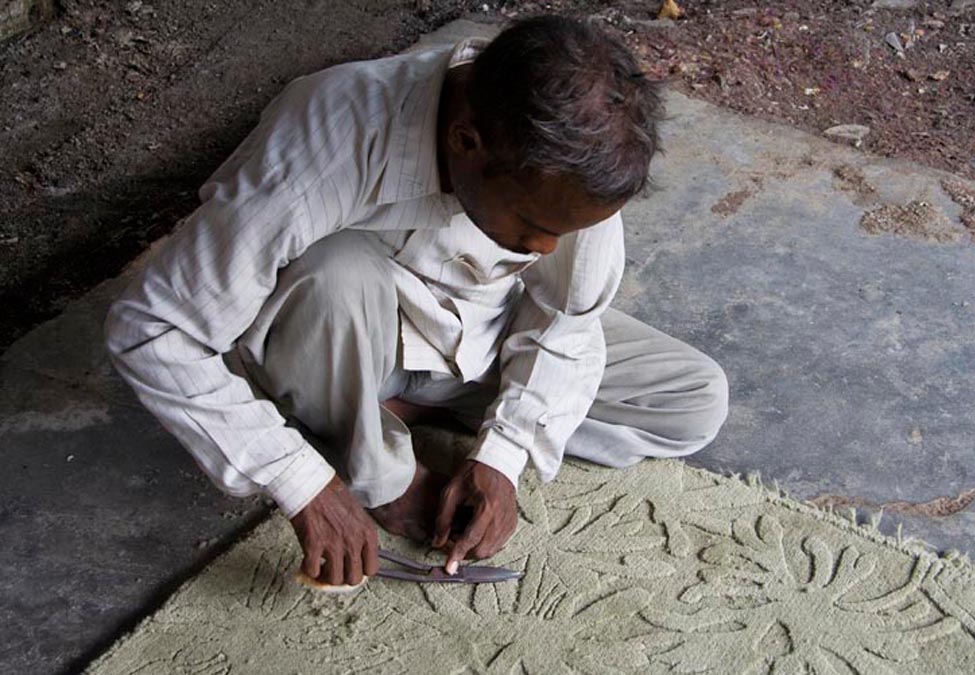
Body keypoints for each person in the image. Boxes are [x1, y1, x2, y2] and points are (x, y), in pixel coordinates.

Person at [105, 15, 729, 589]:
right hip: (343, 338)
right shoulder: (327, 135)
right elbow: (153, 329)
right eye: (533, 226)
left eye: (560, 233)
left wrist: (504, 454)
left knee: (693, 399)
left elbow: (567, 318)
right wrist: (300, 481)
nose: (544, 248)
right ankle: (371, 458)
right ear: (466, 141)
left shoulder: (575, 159)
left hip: (478, 339)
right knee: (336, 270)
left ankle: (387, 414)